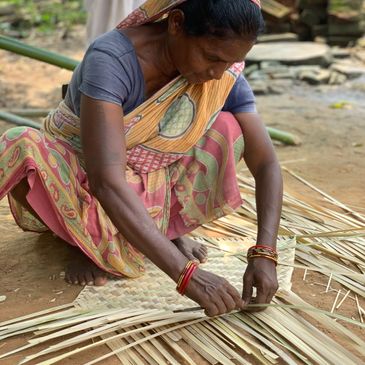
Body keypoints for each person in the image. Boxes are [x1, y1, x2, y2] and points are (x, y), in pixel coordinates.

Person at [0, 0, 283, 317]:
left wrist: (265, 252)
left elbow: (267, 163)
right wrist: (185, 274)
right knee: (18, 143)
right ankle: (78, 239)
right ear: (175, 23)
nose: (217, 73)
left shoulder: (221, 74)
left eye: (230, 62)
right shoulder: (111, 60)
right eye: (211, 57)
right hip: (78, 178)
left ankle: (164, 231)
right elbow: (105, 181)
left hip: (144, 186)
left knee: (228, 127)